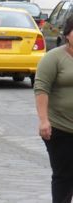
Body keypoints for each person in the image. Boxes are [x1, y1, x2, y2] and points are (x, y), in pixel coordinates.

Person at [34, 15, 73, 203]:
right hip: (61, 129)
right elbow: (41, 88)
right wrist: (44, 120)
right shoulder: (54, 58)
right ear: (67, 34)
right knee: (64, 176)